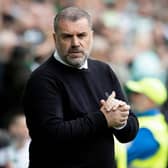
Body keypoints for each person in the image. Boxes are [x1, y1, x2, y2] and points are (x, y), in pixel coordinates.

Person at [23, 6, 139, 168]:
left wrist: (120, 121)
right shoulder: (42, 79)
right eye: (67, 37)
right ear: (55, 38)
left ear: (91, 36)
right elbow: (50, 135)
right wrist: (103, 119)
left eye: (81, 35)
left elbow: (129, 131)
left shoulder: (104, 70)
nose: (75, 43)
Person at [125, 77, 168, 168]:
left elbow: (121, 155)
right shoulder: (147, 120)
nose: (132, 96)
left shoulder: (151, 130)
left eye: (137, 94)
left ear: (150, 101)